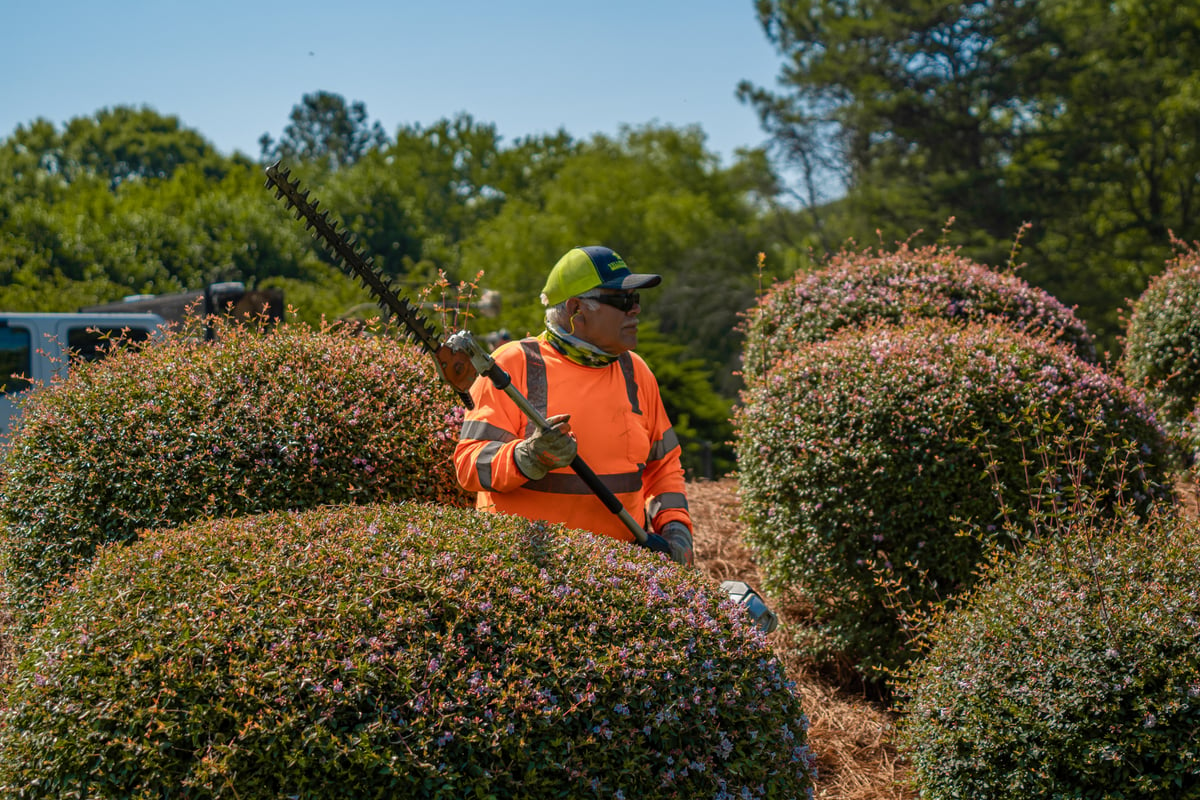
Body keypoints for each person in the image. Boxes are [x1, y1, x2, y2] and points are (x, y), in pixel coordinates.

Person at [454, 245, 694, 566]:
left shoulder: (636, 372)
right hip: (525, 573)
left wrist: (676, 530)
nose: (635, 310)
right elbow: (468, 465)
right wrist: (527, 457)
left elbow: (664, 469)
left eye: (635, 300)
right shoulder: (513, 364)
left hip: (622, 578)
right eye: (622, 301)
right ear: (575, 308)